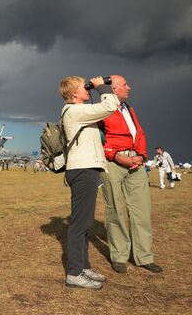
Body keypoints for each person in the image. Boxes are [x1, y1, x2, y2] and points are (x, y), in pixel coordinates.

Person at [60, 75, 119, 289]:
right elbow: (111, 104)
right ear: (74, 93)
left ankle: (83, 267)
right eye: (84, 86)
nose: (88, 88)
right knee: (79, 225)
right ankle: (74, 274)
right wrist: (101, 86)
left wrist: (95, 88)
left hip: (87, 168)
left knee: (85, 224)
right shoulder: (74, 111)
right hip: (82, 169)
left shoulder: (79, 111)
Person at [100, 75, 163, 274]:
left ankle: (144, 257)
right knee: (116, 209)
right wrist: (116, 156)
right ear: (113, 90)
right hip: (114, 163)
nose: (129, 87)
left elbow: (140, 133)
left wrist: (142, 156)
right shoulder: (101, 110)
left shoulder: (130, 109)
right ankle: (119, 256)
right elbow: (98, 138)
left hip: (136, 163)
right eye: (125, 85)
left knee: (141, 210)